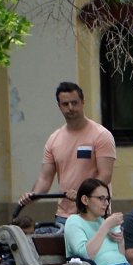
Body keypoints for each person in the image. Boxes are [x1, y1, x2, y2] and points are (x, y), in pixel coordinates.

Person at [17, 81, 116, 229]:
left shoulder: (101, 135)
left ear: (83, 102)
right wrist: (32, 195)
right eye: (65, 104)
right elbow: (45, 178)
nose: (71, 108)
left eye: (74, 103)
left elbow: (105, 175)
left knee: (91, 252)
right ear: (59, 106)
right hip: (64, 216)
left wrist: (82, 195)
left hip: (94, 214)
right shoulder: (54, 139)